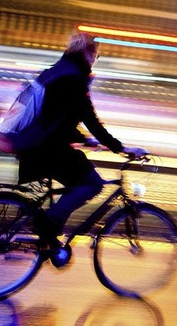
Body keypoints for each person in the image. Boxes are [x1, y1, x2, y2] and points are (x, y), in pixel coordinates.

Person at [17, 32, 147, 268]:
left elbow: (57, 116)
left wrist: (86, 140)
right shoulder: (74, 78)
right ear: (87, 54)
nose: (95, 61)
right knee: (92, 183)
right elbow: (90, 118)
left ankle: (52, 242)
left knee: (75, 182)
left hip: (34, 145)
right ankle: (47, 224)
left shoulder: (58, 70)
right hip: (46, 149)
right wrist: (121, 148)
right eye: (95, 55)